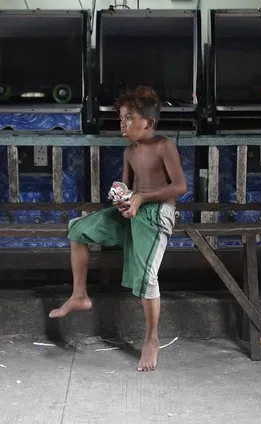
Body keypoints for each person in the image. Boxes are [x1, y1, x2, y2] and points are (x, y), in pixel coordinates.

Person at [48, 86, 187, 372]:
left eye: (128, 118)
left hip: (158, 212)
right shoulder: (129, 152)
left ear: (147, 122)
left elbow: (180, 187)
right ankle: (79, 295)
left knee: (147, 277)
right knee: (78, 228)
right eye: (121, 119)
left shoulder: (164, 146)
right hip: (132, 210)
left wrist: (142, 197)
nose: (122, 124)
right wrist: (122, 197)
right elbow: (126, 186)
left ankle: (151, 338)